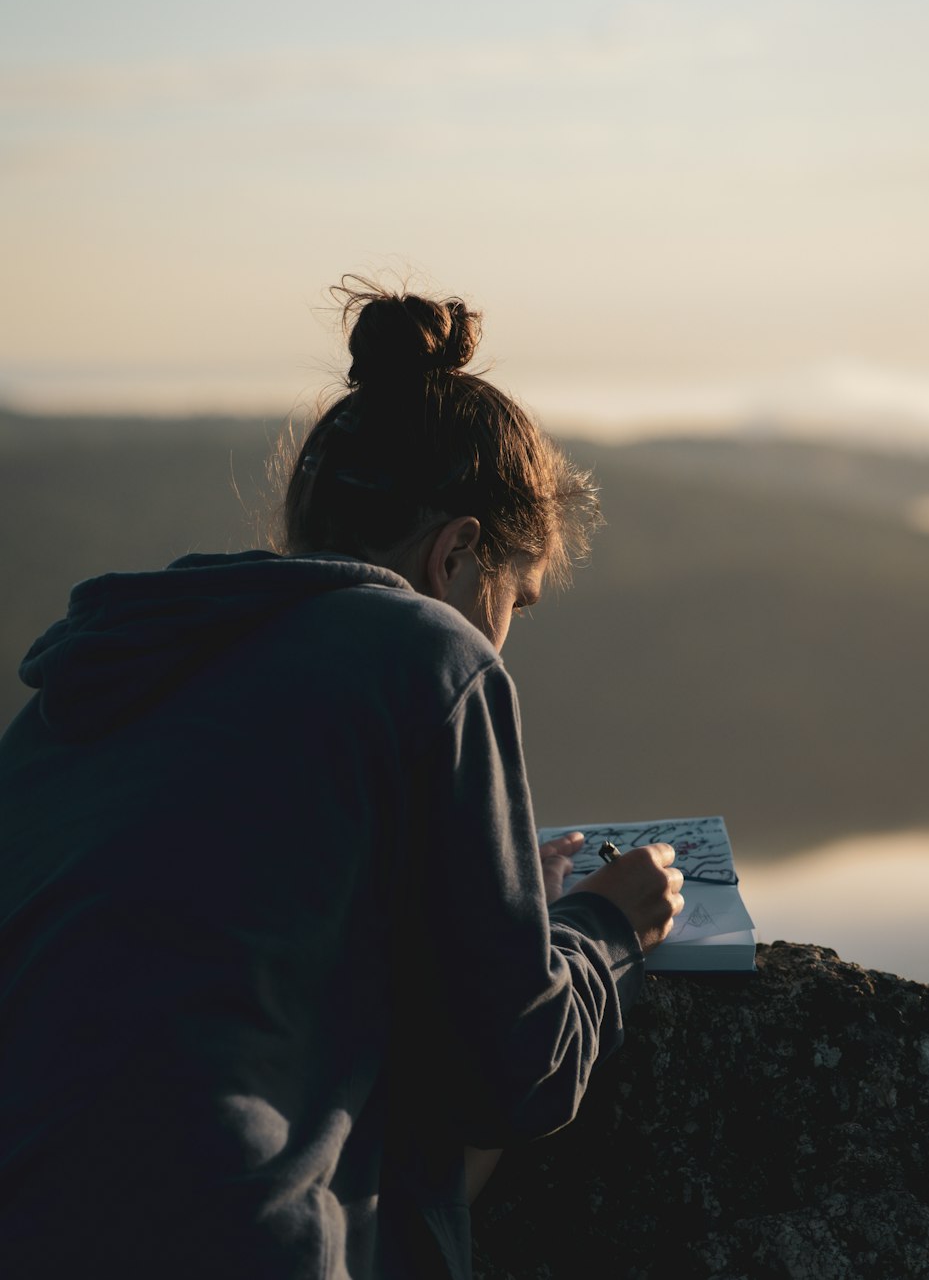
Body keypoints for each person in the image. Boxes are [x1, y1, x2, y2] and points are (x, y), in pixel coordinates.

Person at [0, 283, 685, 1280]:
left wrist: (494, 907)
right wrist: (606, 927)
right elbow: (513, 1073)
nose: (503, 633)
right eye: (515, 601)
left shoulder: (95, 676)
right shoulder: (427, 654)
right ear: (455, 556)